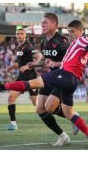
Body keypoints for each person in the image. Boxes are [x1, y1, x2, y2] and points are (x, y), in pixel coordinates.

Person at [0, 20, 88, 147]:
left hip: (64, 75)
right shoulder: (74, 45)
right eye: (68, 32)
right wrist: (46, 63)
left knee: (32, 84)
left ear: (81, 31)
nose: (70, 34)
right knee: (65, 112)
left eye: (72, 31)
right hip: (72, 80)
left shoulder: (83, 40)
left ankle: (5, 86)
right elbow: (67, 61)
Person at [28, 13, 79, 145]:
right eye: (41, 22)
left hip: (63, 77)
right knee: (39, 108)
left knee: (49, 107)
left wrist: (56, 64)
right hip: (51, 77)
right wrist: (35, 64)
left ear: (53, 24)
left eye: (44, 22)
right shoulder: (44, 41)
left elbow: (72, 61)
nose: (42, 25)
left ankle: (73, 117)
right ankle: (63, 136)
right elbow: (44, 60)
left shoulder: (63, 40)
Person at [6, 28, 41, 130]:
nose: (19, 35)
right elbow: (19, 63)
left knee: (36, 103)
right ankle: (13, 124)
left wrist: (28, 66)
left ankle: (52, 115)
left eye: (21, 34)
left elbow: (39, 58)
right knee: (11, 97)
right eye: (18, 34)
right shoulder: (19, 47)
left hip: (31, 78)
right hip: (21, 77)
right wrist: (12, 67)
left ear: (25, 35)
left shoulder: (29, 46)